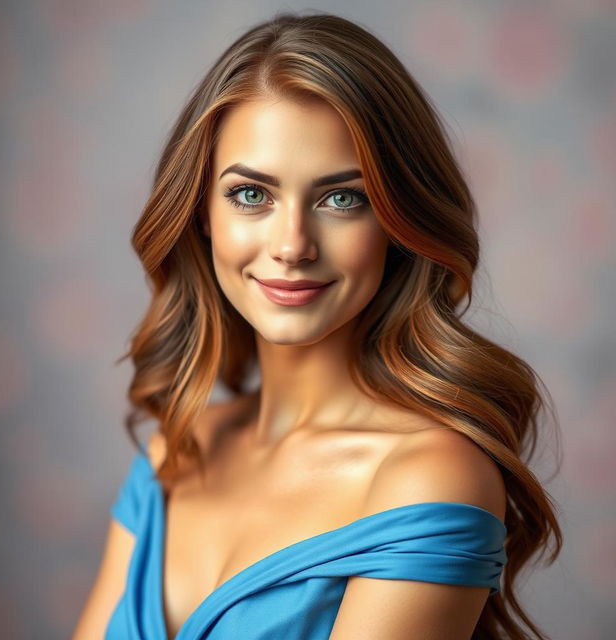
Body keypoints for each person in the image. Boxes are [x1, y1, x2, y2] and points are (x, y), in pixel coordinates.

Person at [73, 11, 563, 640]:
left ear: (398, 222)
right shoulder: (175, 453)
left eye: (342, 198)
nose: (292, 245)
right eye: (252, 194)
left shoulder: (428, 478)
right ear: (200, 212)